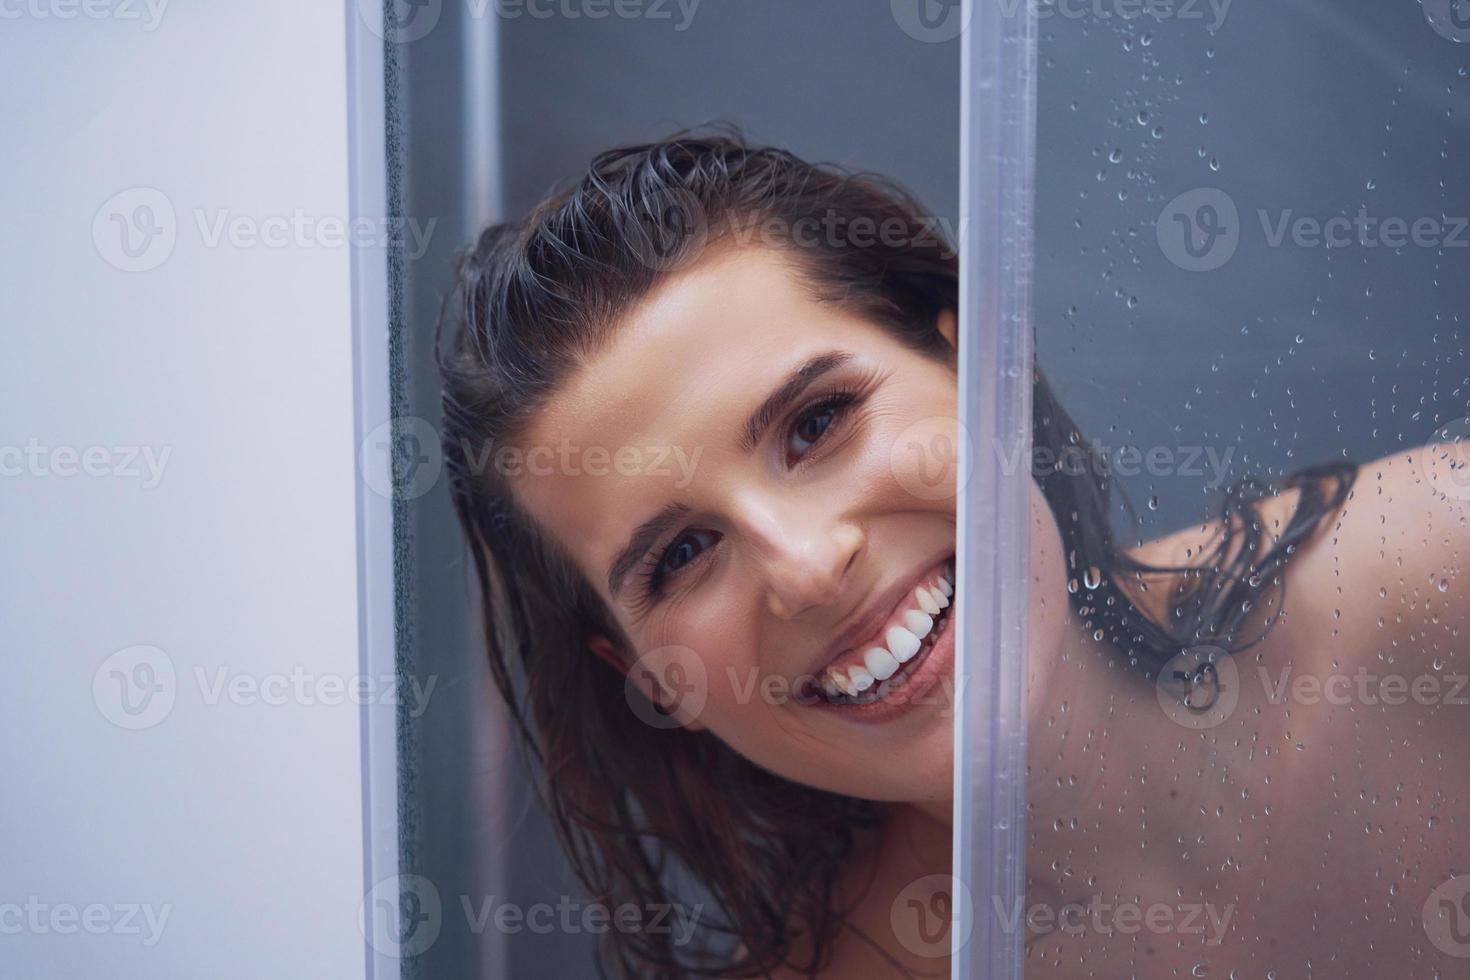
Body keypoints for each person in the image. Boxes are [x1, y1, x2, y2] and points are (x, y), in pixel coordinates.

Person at [436, 130, 1469, 978]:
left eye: (817, 421)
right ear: (649, 678)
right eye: (685, 554)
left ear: (975, 362)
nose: (805, 564)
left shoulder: (1439, 575)